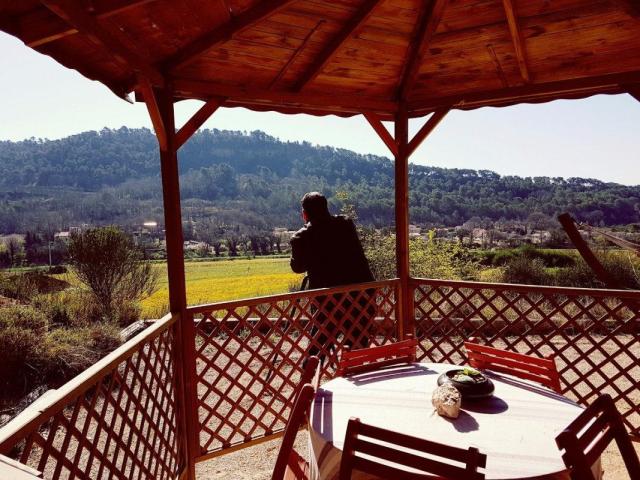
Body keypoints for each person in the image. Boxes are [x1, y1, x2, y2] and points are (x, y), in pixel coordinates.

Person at [290, 192, 375, 360]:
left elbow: (297, 267)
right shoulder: (346, 225)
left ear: (304, 213)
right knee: (358, 343)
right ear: (326, 208)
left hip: (328, 302)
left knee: (318, 345)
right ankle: (357, 373)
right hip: (360, 296)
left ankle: (308, 379)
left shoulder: (301, 237)